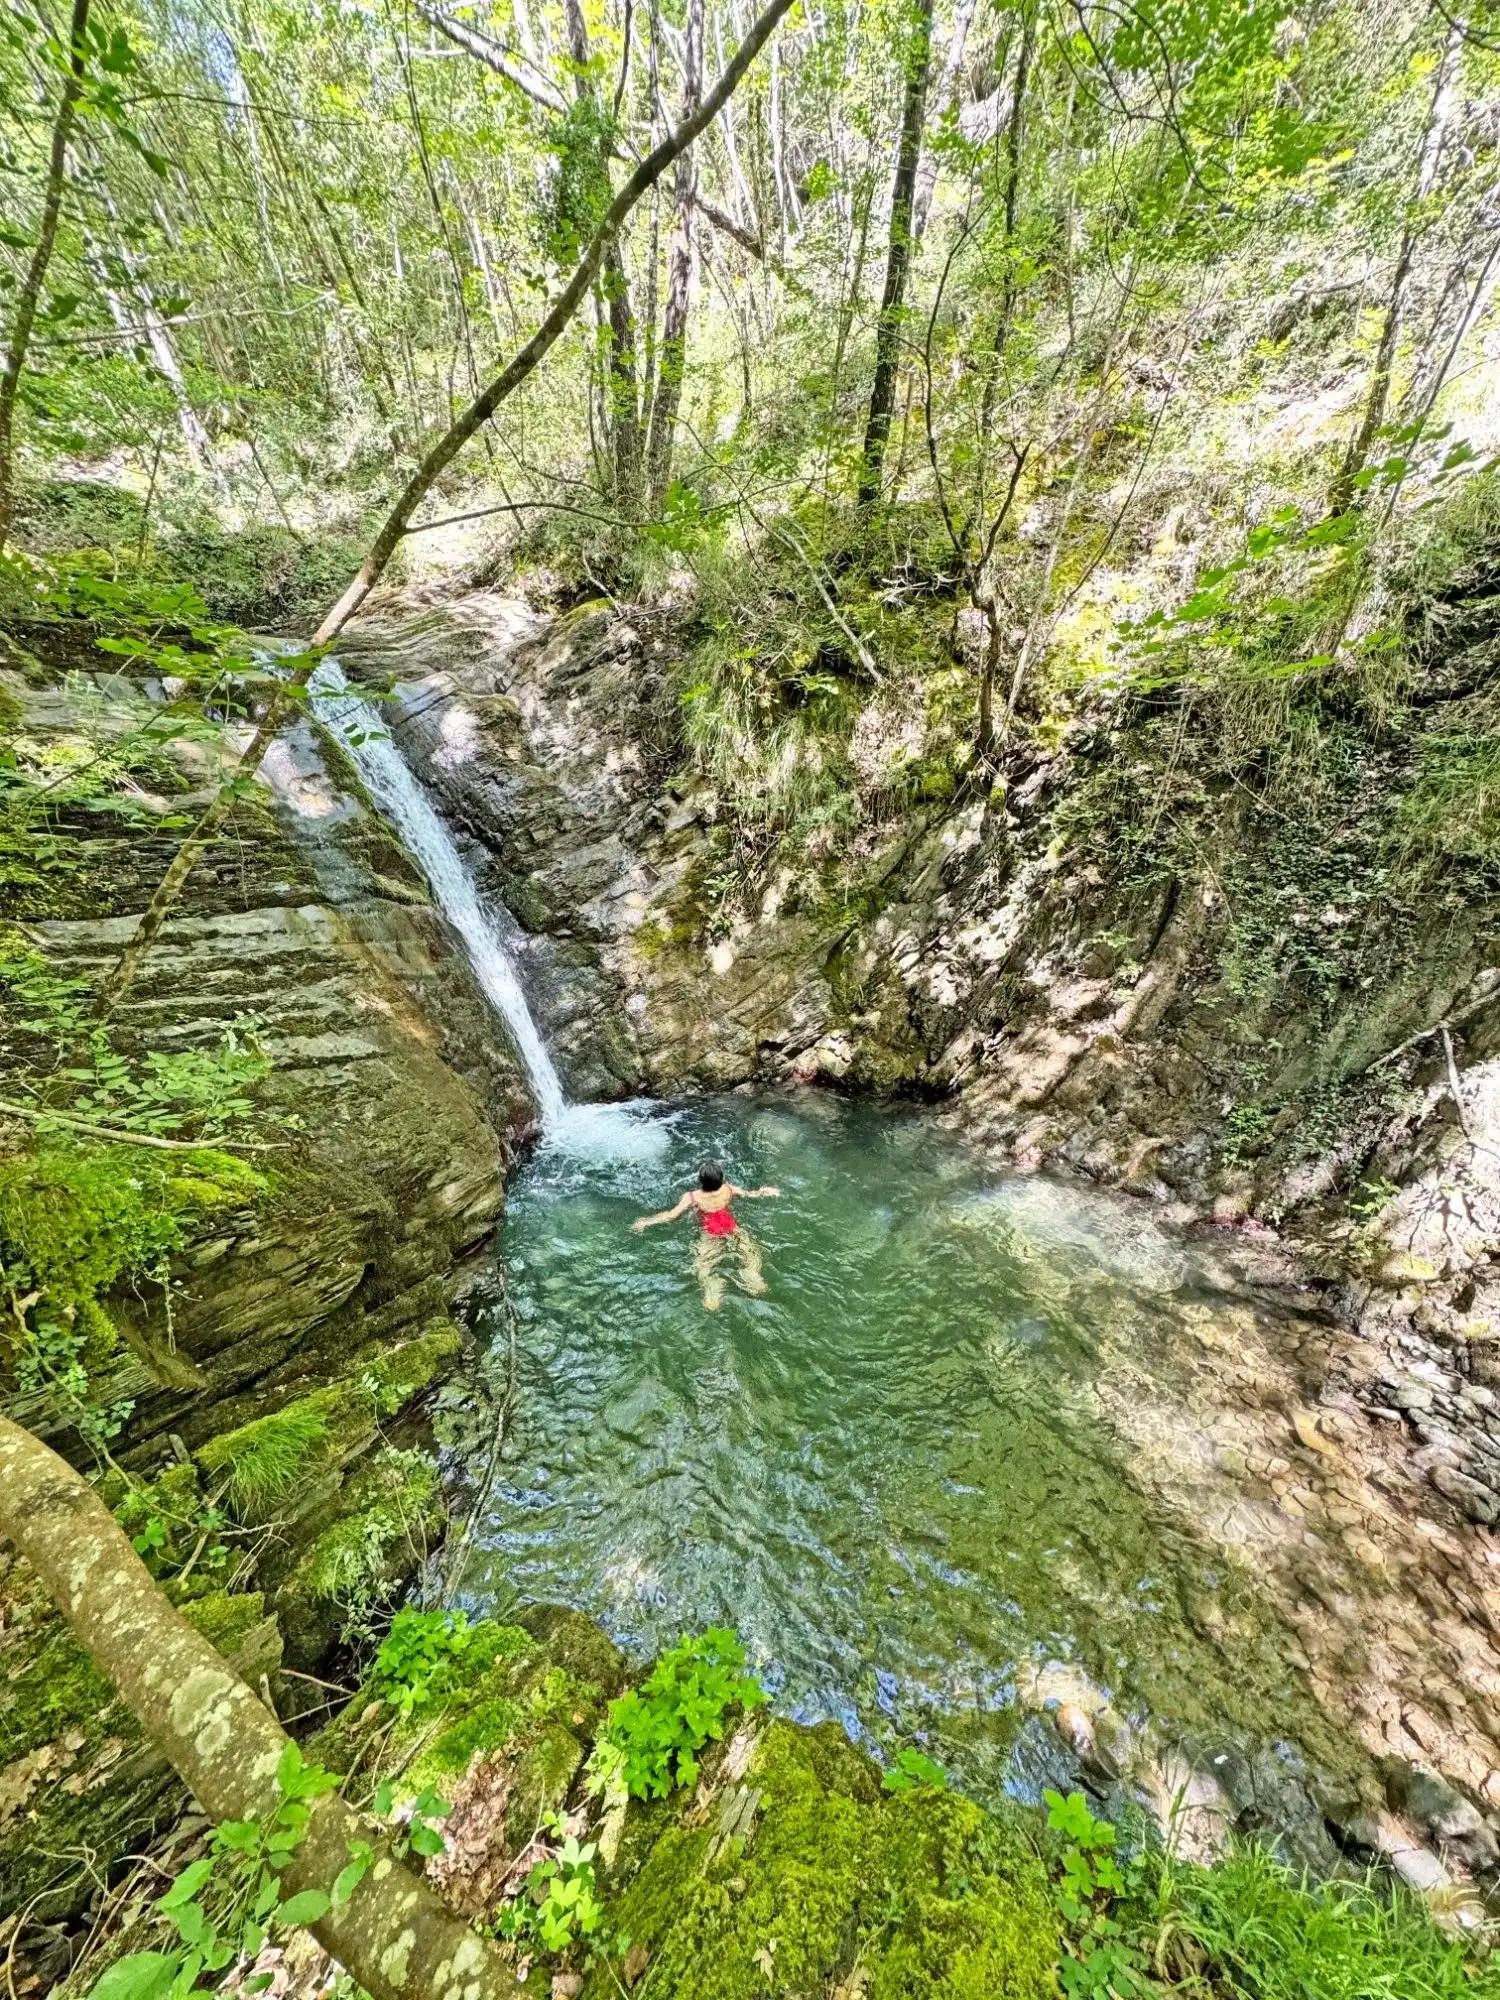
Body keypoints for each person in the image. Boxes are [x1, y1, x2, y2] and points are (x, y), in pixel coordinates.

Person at [633, 1160, 781, 1310]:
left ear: (701, 1181)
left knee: (703, 1266)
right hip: (730, 1225)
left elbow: (671, 1215)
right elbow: (749, 1194)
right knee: (750, 1252)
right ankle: (752, 1276)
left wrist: (647, 1222)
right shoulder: (728, 1189)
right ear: (721, 1179)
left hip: (710, 1232)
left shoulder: (692, 1197)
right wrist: (764, 1191)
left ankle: (713, 1290)